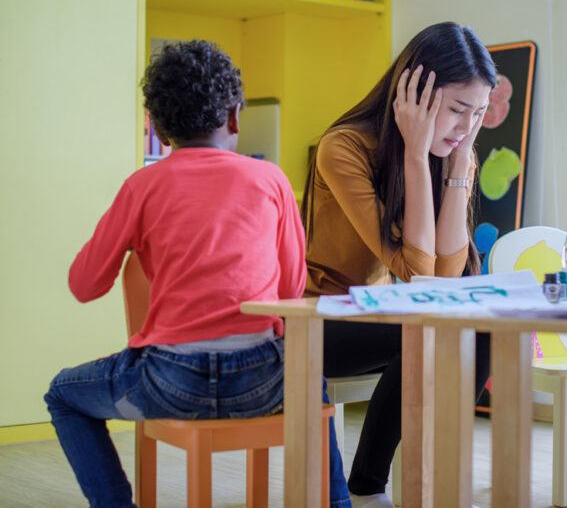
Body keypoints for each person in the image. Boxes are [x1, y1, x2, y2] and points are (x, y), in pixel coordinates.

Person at [44, 40, 351, 508]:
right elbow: (291, 294)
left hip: (166, 385)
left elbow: (84, 286)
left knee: (62, 395)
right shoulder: (271, 181)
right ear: (234, 118)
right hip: (263, 383)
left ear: (159, 129)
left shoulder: (141, 186)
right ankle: (339, 503)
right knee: (312, 375)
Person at [301, 21, 496, 508]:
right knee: (426, 332)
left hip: (380, 312)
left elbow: (444, 283)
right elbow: (420, 275)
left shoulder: (456, 153)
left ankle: (421, 476)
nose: (465, 128)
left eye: (479, 114)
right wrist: (414, 152)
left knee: (482, 329)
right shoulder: (342, 147)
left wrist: (457, 165)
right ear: (414, 92)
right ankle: (368, 487)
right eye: (456, 110)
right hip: (316, 319)